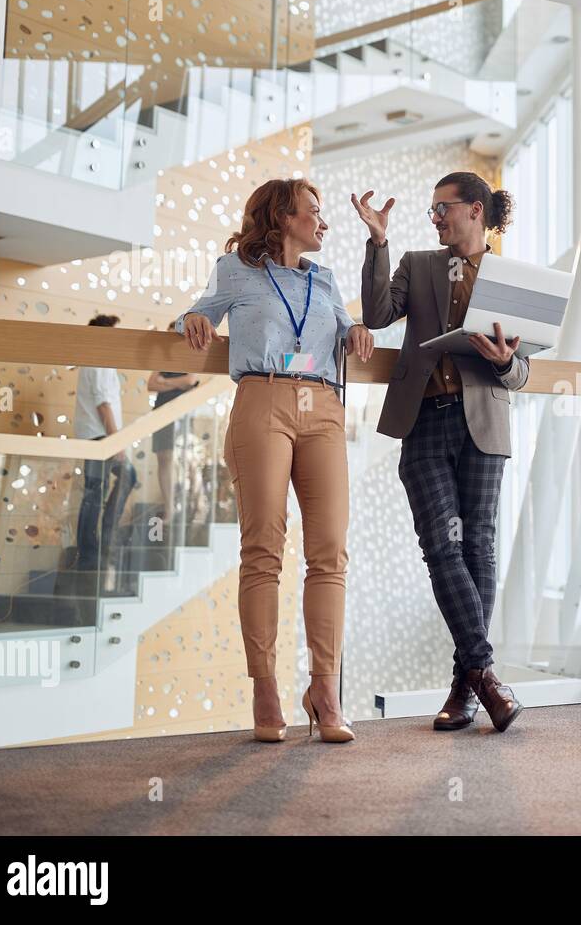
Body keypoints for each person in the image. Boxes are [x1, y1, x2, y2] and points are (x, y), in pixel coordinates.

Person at [177, 178, 375, 743]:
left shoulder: (326, 280)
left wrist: (357, 328)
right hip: (262, 398)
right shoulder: (235, 269)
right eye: (313, 211)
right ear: (283, 217)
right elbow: (198, 314)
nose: (323, 221)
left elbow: (344, 329)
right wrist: (191, 319)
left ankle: (325, 689)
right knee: (263, 548)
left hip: (323, 405)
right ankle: (266, 690)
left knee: (330, 551)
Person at [352, 170, 529, 733]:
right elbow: (379, 315)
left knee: (477, 544)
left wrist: (504, 360)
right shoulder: (418, 264)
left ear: (475, 210)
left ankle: (466, 683)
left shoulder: (510, 278)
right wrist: (378, 242)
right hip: (424, 420)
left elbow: (523, 370)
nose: (435, 219)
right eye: (431, 212)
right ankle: (484, 671)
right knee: (440, 545)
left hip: (484, 423)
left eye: (442, 209)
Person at [73, 315, 137, 590]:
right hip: (100, 437)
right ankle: (93, 548)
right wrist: (118, 442)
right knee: (98, 491)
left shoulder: (97, 359)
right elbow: (103, 404)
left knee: (95, 492)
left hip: (97, 436)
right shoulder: (98, 359)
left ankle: (97, 543)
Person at [146, 324, 200, 531]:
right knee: (164, 458)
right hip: (161, 412)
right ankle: (169, 508)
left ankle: (196, 505)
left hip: (182, 414)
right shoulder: (162, 357)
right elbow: (151, 384)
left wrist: (166, 382)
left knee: (187, 460)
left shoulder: (191, 353)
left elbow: (191, 379)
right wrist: (178, 383)